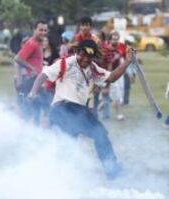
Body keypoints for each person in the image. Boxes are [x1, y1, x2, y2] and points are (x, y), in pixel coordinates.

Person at [29, 40, 135, 179]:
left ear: (92, 57)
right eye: (82, 55)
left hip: (77, 111)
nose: (84, 59)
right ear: (77, 52)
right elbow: (44, 75)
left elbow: (111, 77)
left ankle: (56, 176)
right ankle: (112, 170)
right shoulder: (66, 63)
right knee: (97, 134)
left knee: (69, 145)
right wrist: (33, 92)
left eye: (88, 57)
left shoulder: (92, 68)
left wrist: (127, 62)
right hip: (63, 109)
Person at [14, 20, 48, 125]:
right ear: (34, 30)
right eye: (40, 30)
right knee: (28, 112)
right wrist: (32, 68)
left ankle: (34, 135)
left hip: (36, 81)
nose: (43, 32)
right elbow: (18, 58)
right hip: (30, 82)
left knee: (36, 111)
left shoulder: (38, 44)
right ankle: (22, 134)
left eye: (45, 30)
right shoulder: (32, 43)